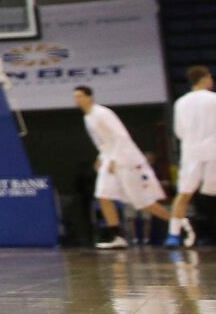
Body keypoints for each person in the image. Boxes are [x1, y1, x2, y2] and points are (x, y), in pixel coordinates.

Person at [75, 85, 173, 248]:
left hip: (126, 160)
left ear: (89, 97)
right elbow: (105, 142)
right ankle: (118, 236)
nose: (77, 100)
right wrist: (102, 157)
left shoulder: (102, 113)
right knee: (103, 195)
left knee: (142, 203)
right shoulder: (88, 117)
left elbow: (121, 136)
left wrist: (114, 158)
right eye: (75, 97)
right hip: (109, 159)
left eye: (80, 96)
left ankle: (178, 224)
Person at [173, 64, 213, 249]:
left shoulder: (180, 102)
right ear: (204, 78)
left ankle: (173, 235)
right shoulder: (213, 99)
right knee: (210, 192)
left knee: (184, 194)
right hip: (212, 151)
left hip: (190, 152)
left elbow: (179, 131)